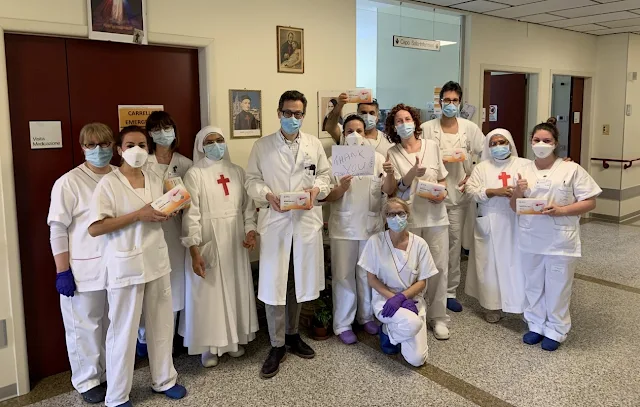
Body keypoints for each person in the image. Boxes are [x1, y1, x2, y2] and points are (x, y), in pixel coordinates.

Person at [88, 125, 186, 407]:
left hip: (156, 260)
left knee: (162, 325)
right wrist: (138, 215)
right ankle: (117, 395)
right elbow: (95, 228)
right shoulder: (108, 184)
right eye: (130, 145)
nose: (137, 150)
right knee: (123, 331)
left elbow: (157, 210)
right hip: (126, 265)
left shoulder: (155, 177)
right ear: (119, 150)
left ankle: (164, 379)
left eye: (142, 145)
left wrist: (167, 212)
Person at [245, 90, 331, 379]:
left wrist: (316, 190)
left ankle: (293, 334)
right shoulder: (262, 146)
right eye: (288, 113)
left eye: (298, 114)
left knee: (298, 280)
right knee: (274, 284)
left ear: (303, 115)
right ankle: (276, 344)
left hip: (305, 223)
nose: (293, 118)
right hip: (276, 223)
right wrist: (267, 195)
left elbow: (325, 176)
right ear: (278, 113)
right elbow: (252, 181)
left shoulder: (313, 144)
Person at [510, 118, 601, 351]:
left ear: (555, 143)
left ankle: (556, 330)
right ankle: (535, 325)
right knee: (533, 284)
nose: (541, 144)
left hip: (560, 240)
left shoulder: (571, 169)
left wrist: (562, 210)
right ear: (531, 142)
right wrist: (518, 192)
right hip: (530, 237)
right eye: (536, 140)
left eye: (546, 140)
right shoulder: (522, 171)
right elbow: (514, 207)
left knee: (557, 286)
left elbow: (590, 202)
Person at [47, 123, 116, 404]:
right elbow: (57, 229)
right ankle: (87, 380)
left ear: (113, 145)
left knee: (112, 324)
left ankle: (110, 373)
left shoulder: (119, 176)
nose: (99, 150)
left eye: (104, 144)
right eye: (91, 145)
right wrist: (62, 270)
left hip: (117, 266)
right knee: (84, 328)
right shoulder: (69, 182)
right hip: (83, 269)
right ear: (82, 147)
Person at [180, 126, 259, 367]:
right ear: (201, 146)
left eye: (220, 140)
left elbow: (247, 207)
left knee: (235, 288)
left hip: (234, 239)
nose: (216, 145)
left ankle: (233, 341)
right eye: (210, 141)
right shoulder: (194, 174)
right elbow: (191, 214)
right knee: (209, 294)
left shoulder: (237, 171)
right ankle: (209, 347)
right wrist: (194, 248)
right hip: (208, 237)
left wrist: (250, 230)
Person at [321, 115, 395, 344]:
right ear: (343, 135)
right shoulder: (333, 161)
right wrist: (341, 188)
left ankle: (366, 316)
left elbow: (388, 190)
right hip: (343, 228)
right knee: (343, 276)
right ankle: (343, 323)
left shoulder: (378, 159)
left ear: (366, 134)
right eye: (349, 131)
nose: (354, 135)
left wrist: (391, 173)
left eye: (359, 131)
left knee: (367, 274)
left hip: (370, 226)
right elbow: (326, 197)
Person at [385, 103, 451, 340]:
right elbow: (395, 189)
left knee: (439, 267)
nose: (404, 124)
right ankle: (415, 314)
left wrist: (442, 192)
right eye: (399, 121)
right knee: (412, 270)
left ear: (415, 122)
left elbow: (442, 178)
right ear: (394, 127)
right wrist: (412, 172)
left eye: (407, 119)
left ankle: (439, 317)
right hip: (409, 219)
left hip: (435, 216)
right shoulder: (392, 153)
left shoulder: (431, 146)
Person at [421, 81, 485, 313]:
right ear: (440, 103)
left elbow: (485, 155)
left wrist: (472, 176)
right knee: (429, 245)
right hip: (431, 196)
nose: (450, 104)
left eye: (454, 100)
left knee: (453, 246)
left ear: (460, 102)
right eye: (446, 100)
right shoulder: (427, 128)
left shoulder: (470, 128)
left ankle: (449, 291)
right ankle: (425, 289)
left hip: (458, 195)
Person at [135, 111, 192, 357]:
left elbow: (193, 198)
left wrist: (184, 205)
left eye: (167, 128)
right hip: (148, 232)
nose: (163, 133)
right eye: (157, 129)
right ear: (149, 134)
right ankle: (144, 337)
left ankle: (170, 338)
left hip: (175, 232)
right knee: (150, 286)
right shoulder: (142, 162)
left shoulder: (185, 163)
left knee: (175, 284)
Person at [358, 198, 438, 367]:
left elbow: (422, 281)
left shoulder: (420, 244)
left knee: (417, 360)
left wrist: (402, 297)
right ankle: (391, 329)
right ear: (385, 218)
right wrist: (394, 298)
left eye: (400, 213)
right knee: (413, 323)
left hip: (412, 301)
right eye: (391, 214)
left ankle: (390, 332)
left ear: (407, 215)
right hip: (386, 301)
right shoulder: (376, 241)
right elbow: (372, 279)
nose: (396, 218)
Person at [465, 128, 529, 322]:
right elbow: (470, 191)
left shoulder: (525, 164)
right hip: (491, 220)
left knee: (518, 265)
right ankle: (492, 306)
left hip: (516, 220)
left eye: (502, 142)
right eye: (493, 143)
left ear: (510, 143)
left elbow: (538, 183)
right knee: (490, 266)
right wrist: (493, 191)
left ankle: (522, 305)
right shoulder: (482, 167)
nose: (498, 146)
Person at [326, 94, 394, 156]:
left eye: (371, 113)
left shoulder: (387, 140)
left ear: (378, 116)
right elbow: (330, 127)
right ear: (357, 114)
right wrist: (339, 105)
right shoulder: (347, 134)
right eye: (363, 113)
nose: (367, 116)